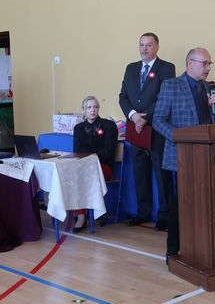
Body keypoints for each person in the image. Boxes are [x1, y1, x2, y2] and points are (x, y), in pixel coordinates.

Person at [153, 47, 215, 261]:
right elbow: (158, 120)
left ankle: (201, 247)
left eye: (209, 64)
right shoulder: (172, 86)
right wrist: (179, 137)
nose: (208, 68)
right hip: (181, 157)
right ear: (189, 64)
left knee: (205, 203)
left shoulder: (209, 87)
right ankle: (173, 251)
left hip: (206, 156)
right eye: (204, 63)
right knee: (179, 205)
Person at [119, 32, 176, 229]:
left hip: (157, 128)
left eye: (149, 45)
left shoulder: (166, 68)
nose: (144, 48)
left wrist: (144, 118)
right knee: (140, 173)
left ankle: (164, 217)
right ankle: (143, 212)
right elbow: (123, 96)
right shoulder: (131, 68)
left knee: (161, 174)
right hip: (136, 129)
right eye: (141, 45)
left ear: (157, 47)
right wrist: (133, 115)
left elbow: (164, 98)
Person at [72, 95, 118, 233]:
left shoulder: (109, 126)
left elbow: (108, 151)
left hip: (103, 166)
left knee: (81, 174)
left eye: (95, 107)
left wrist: (91, 158)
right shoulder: (78, 128)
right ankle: (81, 214)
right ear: (84, 110)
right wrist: (88, 158)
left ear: (98, 109)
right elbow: (77, 151)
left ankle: (81, 216)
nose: (92, 110)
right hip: (85, 167)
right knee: (74, 173)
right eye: (89, 107)